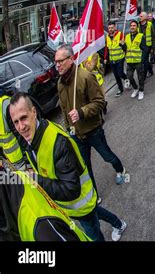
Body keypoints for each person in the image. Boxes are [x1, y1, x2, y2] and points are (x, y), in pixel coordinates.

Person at [8, 93, 127, 241]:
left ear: (34, 112)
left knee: (93, 234)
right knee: (94, 212)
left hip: (79, 205)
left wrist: (35, 179)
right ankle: (118, 223)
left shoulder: (57, 142)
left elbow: (71, 189)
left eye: (24, 118)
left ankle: (118, 223)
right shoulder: (31, 138)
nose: (21, 126)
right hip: (76, 207)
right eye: (16, 122)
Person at [54, 44, 128, 196]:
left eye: (61, 61)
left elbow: (100, 102)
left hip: (93, 131)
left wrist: (81, 112)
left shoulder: (85, 77)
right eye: (56, 62)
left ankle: (120, 169)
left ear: (71, 59)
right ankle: (93, 194)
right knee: (85, 165)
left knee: (107, 156)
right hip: (77, 134)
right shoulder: (60, 83)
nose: (57, 65)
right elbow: (64, 109)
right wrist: (69, 128)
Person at [0, 168, 90, 241]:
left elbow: (70, 189)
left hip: (82, 207)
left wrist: (35, 178)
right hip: (69, 217)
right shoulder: (16, 178)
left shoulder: (42, 228)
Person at [104, 22, 129, 98]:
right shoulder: (107, 37)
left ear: (115, 27)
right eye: (109, 28)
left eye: (112, 27)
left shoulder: (120, 34)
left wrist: (123, 44)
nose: (110, 29)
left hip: (120, 58)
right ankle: (120, 89)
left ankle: (126, 78)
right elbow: (106, 49)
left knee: (120, 73)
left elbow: (125, 47)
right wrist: (105, 58)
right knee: (116, 76)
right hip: (112, 60)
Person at [125, 20, 146, 100]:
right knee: (129, 76)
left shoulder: (141, 36)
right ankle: (136, 88)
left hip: (138, 61)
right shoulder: (127, 36)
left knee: (140, 77)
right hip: (129, 61)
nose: (132, 27)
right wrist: (122, 45)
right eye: (131, 26)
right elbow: (126, 48)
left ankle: (141, 91)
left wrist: (142, 60)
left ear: (137, 27)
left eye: (134, 26)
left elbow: (144, 49)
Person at [138, 11, 155, 78]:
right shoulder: (138, 25)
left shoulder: (150, 24)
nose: (140, 17)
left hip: (148, 46)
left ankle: (144, 75)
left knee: (144, 61)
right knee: (146, 61)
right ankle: (150, 71)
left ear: (145, 17)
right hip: (141, 46)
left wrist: (152, 48)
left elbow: (153, 37)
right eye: (140, 16)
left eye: (141, 16)